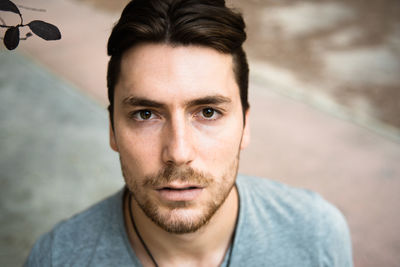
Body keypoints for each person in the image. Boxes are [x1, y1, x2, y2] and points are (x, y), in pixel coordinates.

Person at [24, 0, 353, 266]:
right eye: (146, 114)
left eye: (208, 112)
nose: (179, 152)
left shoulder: (316, 233)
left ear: (245, 125)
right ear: (112, 129)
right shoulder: (57, 258)